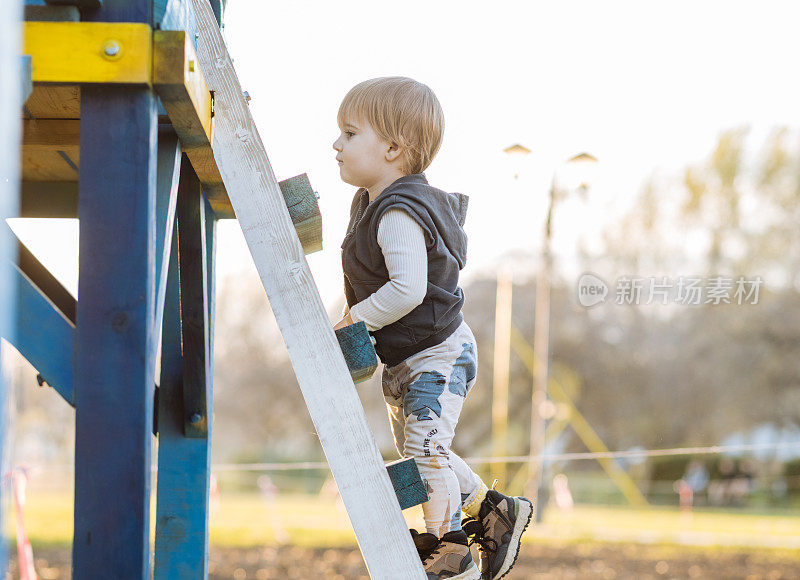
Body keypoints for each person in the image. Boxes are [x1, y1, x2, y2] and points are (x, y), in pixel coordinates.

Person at [332, 76, 532, 580]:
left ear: (394, 148)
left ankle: (447, 546)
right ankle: (492, 511)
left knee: (424, 448)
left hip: (437, 353)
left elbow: (408, 289)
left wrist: (356, 318)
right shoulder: (373, 205)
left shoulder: (399, 212)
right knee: (422, 449)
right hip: (412, 355)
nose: (336, 144)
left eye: (350, 134)